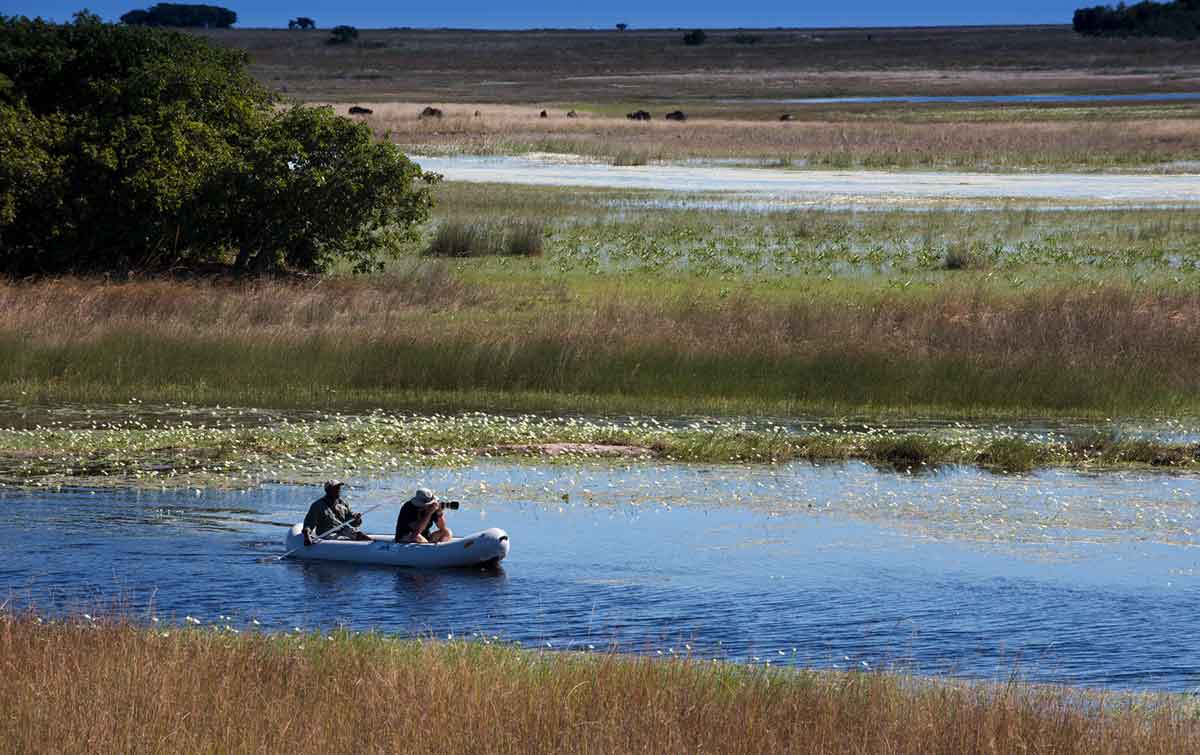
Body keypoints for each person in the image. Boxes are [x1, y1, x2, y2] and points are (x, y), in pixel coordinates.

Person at [302, 480, 372, 546]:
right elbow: (309, 524)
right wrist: (307, 536)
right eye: (335, 488)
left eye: (339, 488)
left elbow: (353, 523)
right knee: (345, 540)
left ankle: (373, 546)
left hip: (343, 530)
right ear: (327, 490)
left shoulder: (343, 503)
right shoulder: (317, 505)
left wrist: (356, 518)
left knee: (360, 535)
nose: (338, 490)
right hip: (327, 533)